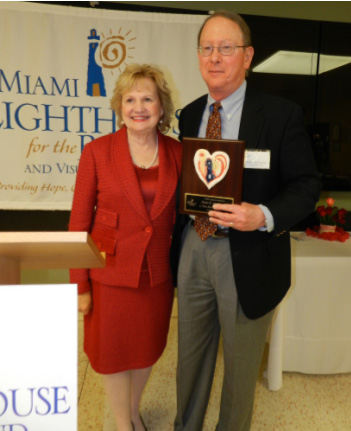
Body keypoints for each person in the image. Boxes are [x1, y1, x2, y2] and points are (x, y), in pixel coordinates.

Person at [170, 11, 321, 431]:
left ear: (248, 56)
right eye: (207, 48)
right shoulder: (190, 114)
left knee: (239, 370)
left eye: (226, 48)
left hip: (249, 253)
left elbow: (307, 186)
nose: (214, 58)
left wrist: (262, 215)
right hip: (194, 249)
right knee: (190, 360)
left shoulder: (280, 114)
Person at [69, 64, 182, 431]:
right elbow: (78, 224)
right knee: (114, 357)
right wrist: (80, 286)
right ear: (119, 106)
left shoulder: (179, 154)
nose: (139, 106)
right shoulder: (98, 152)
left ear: (161, 108)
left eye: (147, 98)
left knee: (146, 350)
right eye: (130, 99)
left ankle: (133, 412)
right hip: (109, 276)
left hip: (156, 277)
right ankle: (122, 424)